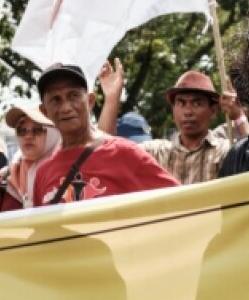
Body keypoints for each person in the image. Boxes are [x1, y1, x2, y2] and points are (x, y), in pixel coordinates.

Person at [33, 64, 178, 204]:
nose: (65, 108)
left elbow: (182, 202)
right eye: (55, 100)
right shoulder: (43, 173)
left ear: (90, 101)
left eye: (73, 96)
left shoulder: (124, 153)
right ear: (45, 112)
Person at [143, 71, 249, 185]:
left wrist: (239, 117)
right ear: (173, 110)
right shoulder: (155, 153)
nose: (188, 112)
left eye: (197, 104)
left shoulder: (226, 151)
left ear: (213, 111)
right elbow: (122, 155)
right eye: (181, 103)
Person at [0, 105, 61, 212]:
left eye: (37, 130)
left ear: (53, 134)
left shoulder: (67, 173)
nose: (28, 136)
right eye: (22, 130)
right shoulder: (2, 179)